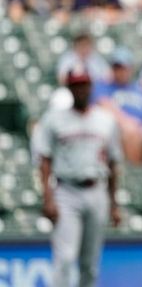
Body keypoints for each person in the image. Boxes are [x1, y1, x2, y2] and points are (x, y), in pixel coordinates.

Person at [31, 66, 122, 287]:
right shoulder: (54, 119)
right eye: (76, 85)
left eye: (84, 84)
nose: (80, 89)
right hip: (66, 191)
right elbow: (44, 160)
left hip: (97, 190)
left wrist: (114, 204)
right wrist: (48, 198)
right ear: (69, 88)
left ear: (91, 86)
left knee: (90, 263)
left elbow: (114, 164)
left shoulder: (106, 120)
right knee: (65, 258)